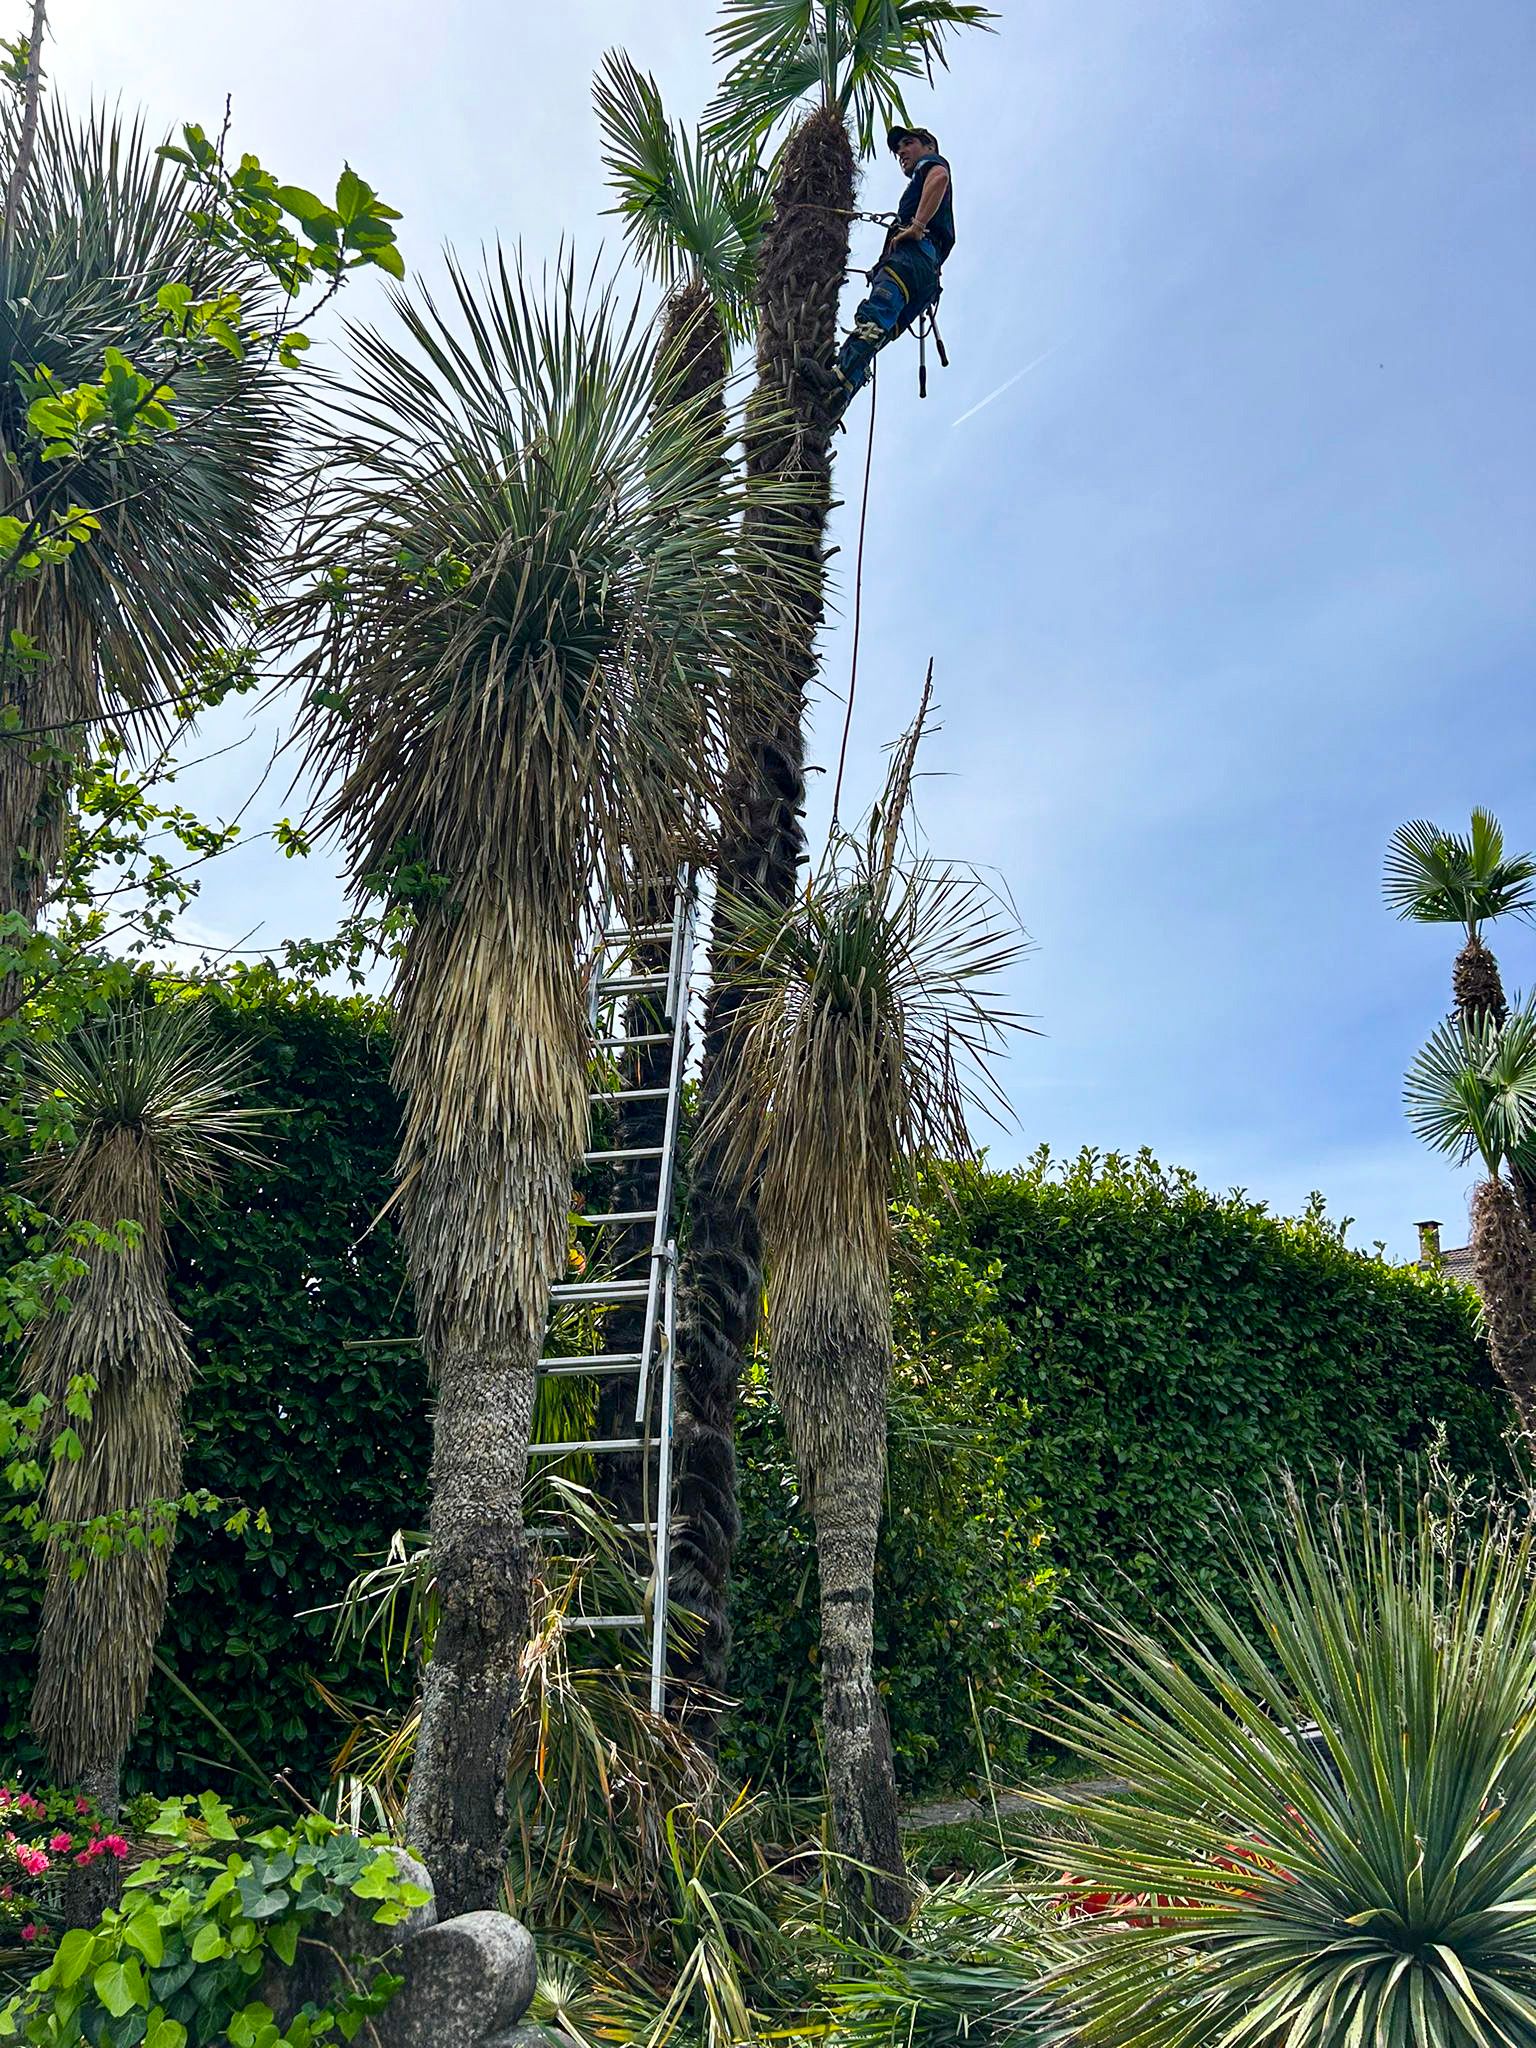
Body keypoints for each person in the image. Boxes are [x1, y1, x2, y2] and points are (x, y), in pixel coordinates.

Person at [801, 126, 954, 423]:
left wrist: (917, 226)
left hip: (913, 259)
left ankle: (836, 378)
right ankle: (836, 402)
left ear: (929, 146)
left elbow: (940, 179)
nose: (902, 153)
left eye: (908, 144)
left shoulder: (931, 165)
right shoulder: (922, 177)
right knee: (877, 336)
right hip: (926, 278)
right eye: (899, 150)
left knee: (874, 317)